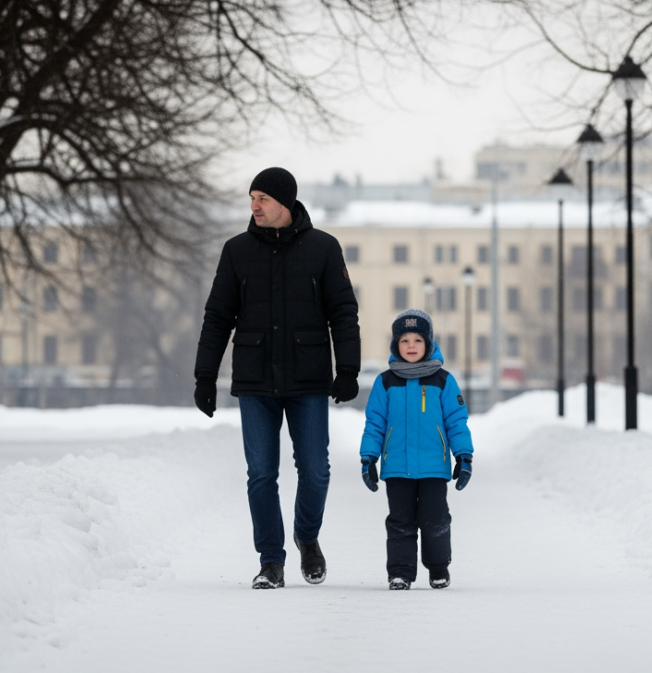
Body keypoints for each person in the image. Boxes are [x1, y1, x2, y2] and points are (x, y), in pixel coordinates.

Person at [193, 167, 360, 590]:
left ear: (285, 203)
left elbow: (343, 313)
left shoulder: (323, 248)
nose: (254, 206)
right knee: (262, 474)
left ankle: (306, 536)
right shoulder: (237, 251)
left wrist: (348, 369)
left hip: (308, 379)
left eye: (262, 198)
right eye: (252, 198)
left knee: (315, 471)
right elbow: (217, 317)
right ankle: (271, 561)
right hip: (254, 379)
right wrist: (205, 376)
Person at [359, 308, 473, 590]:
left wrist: (464, 455)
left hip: (434, 467)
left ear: (429, 344)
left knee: (434, 520)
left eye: (418, 340)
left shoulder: (443, 381)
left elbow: (456, 421)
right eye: (405, 340)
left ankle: (438, 568)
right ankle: (400, 572)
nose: (411, 346)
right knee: (400, 522)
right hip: (397, 466)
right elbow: (375, 422)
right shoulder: (385, 382)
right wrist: (368, 457)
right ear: (395, 345)